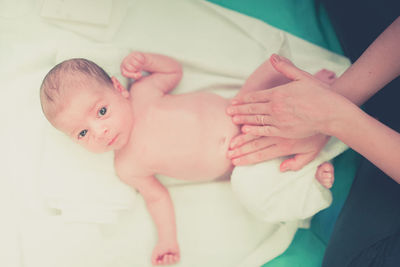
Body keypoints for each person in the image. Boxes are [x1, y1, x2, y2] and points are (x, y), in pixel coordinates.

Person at [39, 51, 337, 265]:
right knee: (258, 193)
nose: (100, 132)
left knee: (271, 68)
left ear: (118, 89)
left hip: (241, 106)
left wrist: (147, 62)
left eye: (101, 112)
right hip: (244, 159)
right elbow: (157, 198)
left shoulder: (143, 91)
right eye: (82, 134)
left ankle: (310, 86)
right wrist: (167, 240)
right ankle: (309, 174)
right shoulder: (127, 166)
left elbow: (172, 72)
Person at [227, 12, 400, 266]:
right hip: (248, 137)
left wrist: (331, 115)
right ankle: (312, 169)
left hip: (249, 144)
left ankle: (311, 174)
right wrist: (333, 99)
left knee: (255, 192)